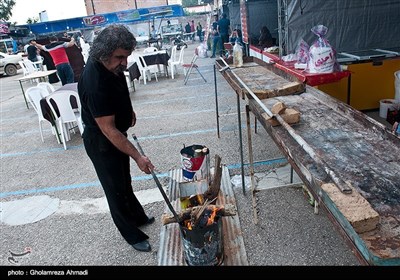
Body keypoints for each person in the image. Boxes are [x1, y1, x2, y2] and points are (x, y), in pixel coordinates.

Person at [77, 24, 155, 253]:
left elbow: (122, 87)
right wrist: (139, 157)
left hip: (116, 134)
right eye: (120, 57)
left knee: (125, 181)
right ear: (104, 52)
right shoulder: (94, 81)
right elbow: (109, 130)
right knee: (114, 188)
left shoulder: (112, 66)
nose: (124, 62)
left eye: (127, 56)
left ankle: (137, 217)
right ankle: (130, 234)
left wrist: (128, 110)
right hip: (101, 142)